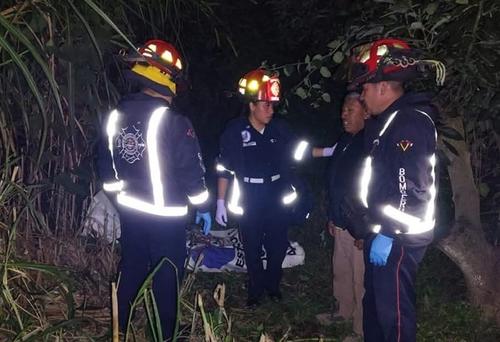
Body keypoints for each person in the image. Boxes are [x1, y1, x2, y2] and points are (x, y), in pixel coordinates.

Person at [97, 39, 212, 340]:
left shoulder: (115, 116)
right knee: (167, 274)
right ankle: (166, 333)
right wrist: (202, 205)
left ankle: (117, 328)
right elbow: (190, 170)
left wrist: (120, 199)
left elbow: (106, 168)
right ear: (167, 79)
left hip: (131, 211)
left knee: (132, 266)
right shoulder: (174, 121)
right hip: (167, 216)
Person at [348, 38, 445, 341]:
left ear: (383, 87)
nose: (362, 96)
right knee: (376, 307)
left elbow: (411, 189)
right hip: (385, 231)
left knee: (395, 316)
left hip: (401, 236)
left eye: (364, 89)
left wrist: (388, 231)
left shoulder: (409, 124)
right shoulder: (391, 121)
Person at [214, 68, 331, 308]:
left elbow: (300, 151)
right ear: (252, 105)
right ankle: (255, 291)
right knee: (252, 244)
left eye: (272, 105)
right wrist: (220, 202)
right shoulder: (235, 131)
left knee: (277, 244)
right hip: (249, 196)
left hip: (276, 193)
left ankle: (273, 286)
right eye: (265, 105)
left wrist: (329, 152)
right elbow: (224, 168)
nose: (270, 110)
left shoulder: (280, 129)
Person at [327, 92, 369, 337]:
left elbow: (372, 190)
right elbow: (336, 181)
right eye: (343, 109)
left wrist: (366, 229)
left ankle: (361, 328)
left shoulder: (370, 144)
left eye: (349, 110)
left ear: (365, 113)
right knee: (341, 270)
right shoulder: (345, 141)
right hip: (341, 220)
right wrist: (333, 216)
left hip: (359, 226)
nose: (344, 115)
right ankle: (343, 311)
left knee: (360, 278)